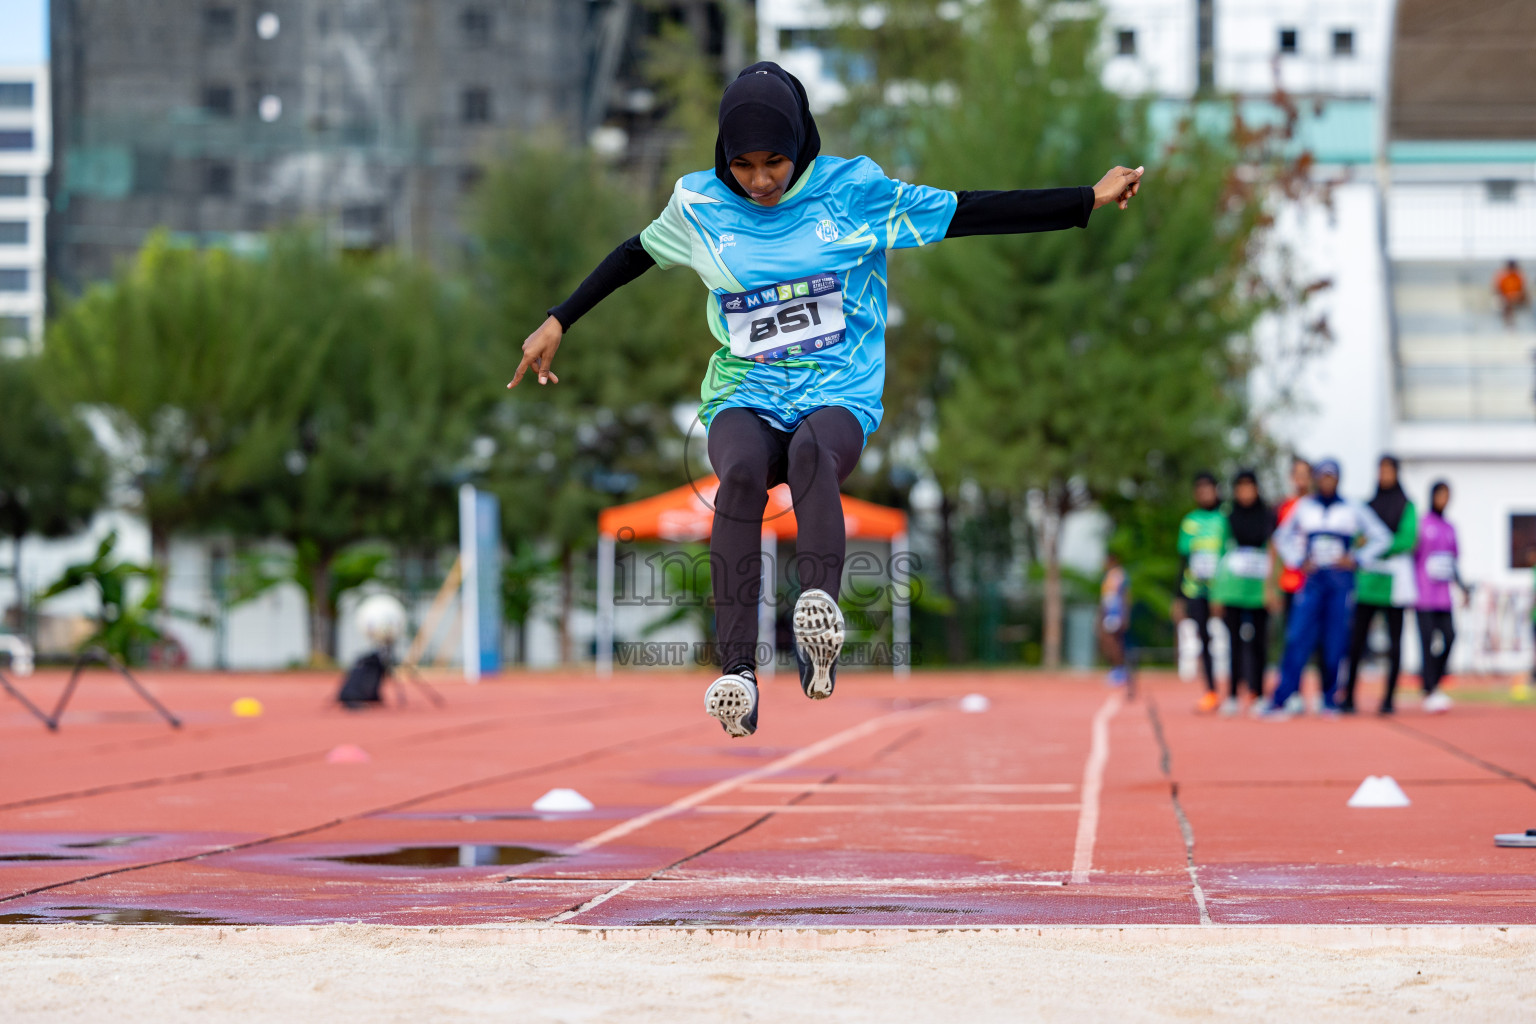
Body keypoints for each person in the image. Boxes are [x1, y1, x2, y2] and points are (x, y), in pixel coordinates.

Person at [508, 62, 1145, 737]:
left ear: (800, 144)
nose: (759, 180)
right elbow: (634, 253)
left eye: (774, 162)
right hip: (744, 390)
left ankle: (819, 618)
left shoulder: (854, 194)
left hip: (837, 392)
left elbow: (970, 211)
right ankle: (738, 675)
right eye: (744, 165)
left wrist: (1087, 199)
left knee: (813, 455)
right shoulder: (698, 205)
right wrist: (559, 319)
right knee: (740, 476)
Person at [1264, 458, 1392, 717]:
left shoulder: (1352, 508)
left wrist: (1356, 558)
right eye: (1322, 476)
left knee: (1335, 641)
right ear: (1316, 479)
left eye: (1331, 477)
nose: (1327, 481)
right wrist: (1299, 560)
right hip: (1313, 582)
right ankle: (1282, 698)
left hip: (1340, 582)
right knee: (1297, 637)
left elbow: (1382, 537)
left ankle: (1329, 698)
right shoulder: (1304, 507)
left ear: (1338, 479)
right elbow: (1281, 537)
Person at [1340, 455, 1418, 713]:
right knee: (1356, 641)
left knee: (1394, 642)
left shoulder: (1407, 507)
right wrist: (1369, 546)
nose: (1384, 475)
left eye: (1388, 470)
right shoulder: (1367, 506)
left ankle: (1388, 699)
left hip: (1394, 584)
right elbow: (1358, 536)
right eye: (1380, 470)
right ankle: (1348, 695)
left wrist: (1378, 547)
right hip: (1368, 582)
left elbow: (1407, 540)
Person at [1213, 469, 1276, 715]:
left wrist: (1272, 589)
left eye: (1250, 486)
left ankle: (1258, 693)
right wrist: (1217, 594)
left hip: (1259, 587)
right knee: (1234, 643)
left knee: (1260, 643)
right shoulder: (1228, 517)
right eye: (1240, 487)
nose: (1245, 492)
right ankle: (1231, 695)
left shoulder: (1267, 515)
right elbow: (1220, 553)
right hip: (1233, 586)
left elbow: (1274, 550)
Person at [1413, 481, 1469, 714]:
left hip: (1444, 597)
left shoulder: (1450, 528)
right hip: (1423, 595)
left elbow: (1452, 562)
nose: (1443, 500)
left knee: (1450, 635)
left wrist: (1462, 587)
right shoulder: (1422, 525)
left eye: (1447, 495)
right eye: (1440, 495)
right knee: (1426, 643)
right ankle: (1429, 689)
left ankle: (1432, 679)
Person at [1274, 456, 1324, 708]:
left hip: (1318, 584)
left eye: (1307, 473)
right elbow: (1276, 545)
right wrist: (1271, 585)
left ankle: (1322, 693)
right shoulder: (1285, 508)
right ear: (1292, 477)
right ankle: (1292, 691)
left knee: (1319, 641)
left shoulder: (1320, 506)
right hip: (1291, 583)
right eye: (1298, 473)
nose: (1302, 478)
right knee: (1293, 639)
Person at [1176, 472, 1226, 712]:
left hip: (1225, 591)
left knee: (1239, 637)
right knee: (1203, 640)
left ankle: (1246, 690)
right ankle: (1211, 691)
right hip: (1196, 590)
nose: (1205, 493)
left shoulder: (1225, 519)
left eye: (1209, 488)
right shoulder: (1189, 522)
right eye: (1200, 489)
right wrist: (1178, 598)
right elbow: (1183, 560)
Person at [1098, 552, 1131, 688]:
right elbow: (1105, 597)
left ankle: (1120, 670)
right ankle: (1116, 668)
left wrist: (1125, 614)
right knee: (1108, 641)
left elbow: (1125, 595)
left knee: (1114, 641)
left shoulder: (1118, 574)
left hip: (1115, 612)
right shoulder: (1107, 576)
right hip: (1109, 612)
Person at [1494, 259, 1529, 327]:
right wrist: (1506, 297)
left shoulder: (1519, 276)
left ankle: (1514, 324)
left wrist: (1517, 295)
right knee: (1504, 303)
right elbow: (1497, 290)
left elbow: (1523, 290)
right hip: (1505, 299)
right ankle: (1508, 324)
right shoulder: (1502, 277)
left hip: (1517, 298)